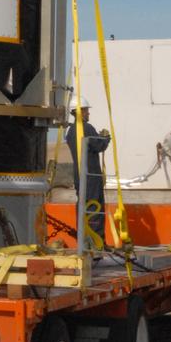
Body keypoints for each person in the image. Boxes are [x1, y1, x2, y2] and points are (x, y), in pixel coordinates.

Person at [64, 96, 111, 250]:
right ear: (80, 111)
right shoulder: (87, 128)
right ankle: (97, 244)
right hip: (91, 175)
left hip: (79, 176)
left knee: (83, 206)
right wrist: (105, 138)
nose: (88, 113)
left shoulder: (70, 131)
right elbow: (98, 146)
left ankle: (84, 242)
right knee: (95, 207)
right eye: (86, 110)